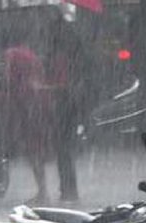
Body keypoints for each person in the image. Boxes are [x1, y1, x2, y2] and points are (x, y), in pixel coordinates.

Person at [46, 19, 96, 203]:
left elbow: (59, 84)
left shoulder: (59, 58)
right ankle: (68, 190)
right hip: (72, 106)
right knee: (66, 150)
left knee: (62, 151)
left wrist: (48, 88)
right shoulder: (77, 57)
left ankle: (67, 190)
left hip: (62, 105)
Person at [2, 29, 53, 204]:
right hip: (40, 103)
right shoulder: (32, 55)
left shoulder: (12, 54)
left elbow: (9, 80)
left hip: (26, 104)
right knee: (36, 148)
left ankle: (42, 191)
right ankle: (43, 189)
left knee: (33, 149)